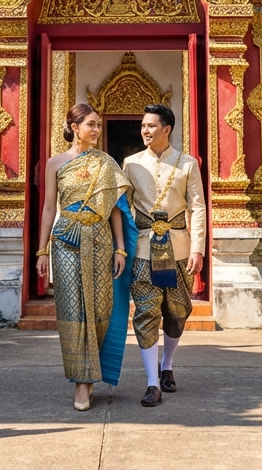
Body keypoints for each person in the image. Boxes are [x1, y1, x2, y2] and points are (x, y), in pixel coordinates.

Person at [35, 103, 138, 411]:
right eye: (90, 124)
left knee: (100, 307)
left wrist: (121, 248)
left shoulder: (106, 162)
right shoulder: (55, 163)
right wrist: (42, 250)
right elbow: (49, 207)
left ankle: (92, 372)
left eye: (98, 124)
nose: (96, 129)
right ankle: (81, 381)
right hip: (66, 239)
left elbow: (116, 209)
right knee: (72, 309)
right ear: (74, 127)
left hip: (101, 239)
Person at [122, 103, 206, 407]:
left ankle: (167, 365)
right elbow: (123, 208)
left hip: (179, 249)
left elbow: (198, 207)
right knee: (146, 312)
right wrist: (121, 247)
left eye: (151, 125)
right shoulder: (131, 164)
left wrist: (197, 248)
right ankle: (152, 382)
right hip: (143, 249)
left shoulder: (187, 164)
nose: (145, 130)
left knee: (177, 311)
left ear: (166, 129)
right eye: (143, 125)